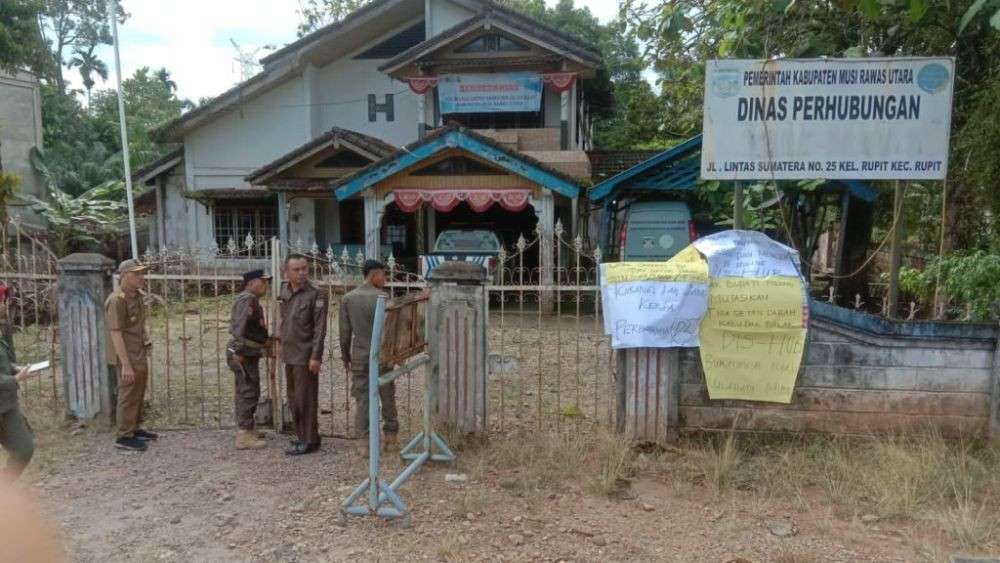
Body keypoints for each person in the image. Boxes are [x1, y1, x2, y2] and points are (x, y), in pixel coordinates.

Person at [340, 259, 397, 447]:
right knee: (387, 395)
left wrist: (345, 356)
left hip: (360, 355)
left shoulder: (348, 298)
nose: (385, 278)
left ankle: (363, 441)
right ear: (373, 275)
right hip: (383, 355)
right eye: (383, 274)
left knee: (362, 397)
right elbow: (391, 330)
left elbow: (344, 333)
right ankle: (391, 436)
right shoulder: (384, 297)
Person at [278, 254, 328, 456]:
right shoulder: (284, 290)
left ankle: (308, 440)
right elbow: (283, 319)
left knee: (305, 399)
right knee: (293, 399)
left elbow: (320, 328)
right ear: (286, 272)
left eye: (304, 269)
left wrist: (316, 356)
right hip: (289, 353)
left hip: (305, 355)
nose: (301, 273)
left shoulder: (316, 293)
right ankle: (304, 436)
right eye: (296, 270)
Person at [106, 259, 157, 452]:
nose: (141, 277)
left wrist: (145, 339)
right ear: (125, 275)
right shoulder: (116, 300)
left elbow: (138, 324)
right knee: (128, 392)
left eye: (142, 273)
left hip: (138, 350)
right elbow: (115, 333)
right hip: (126, 354)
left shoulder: (135, 296)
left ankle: (134, 428)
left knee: (139, 389)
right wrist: (125, 364)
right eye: (136, 274)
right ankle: (124, 436)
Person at [227, 269, 272, 450]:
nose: (266, 285)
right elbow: (239, 327)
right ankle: (244, 434)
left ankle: (247, 428)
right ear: (251, 283)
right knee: (248, 392)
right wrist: (237, 350)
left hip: (248, 351)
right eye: (262, 281)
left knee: (246, 389)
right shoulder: (248, 300)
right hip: (243, 352)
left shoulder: (251, 300)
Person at [0, 290, 36, 480]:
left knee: (24, 448)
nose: (4, 305)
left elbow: (5, 361)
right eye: (1, 301)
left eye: (4, 301)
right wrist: (14, 379)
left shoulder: (3, 327)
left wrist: (16, 369)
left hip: (7, 403)